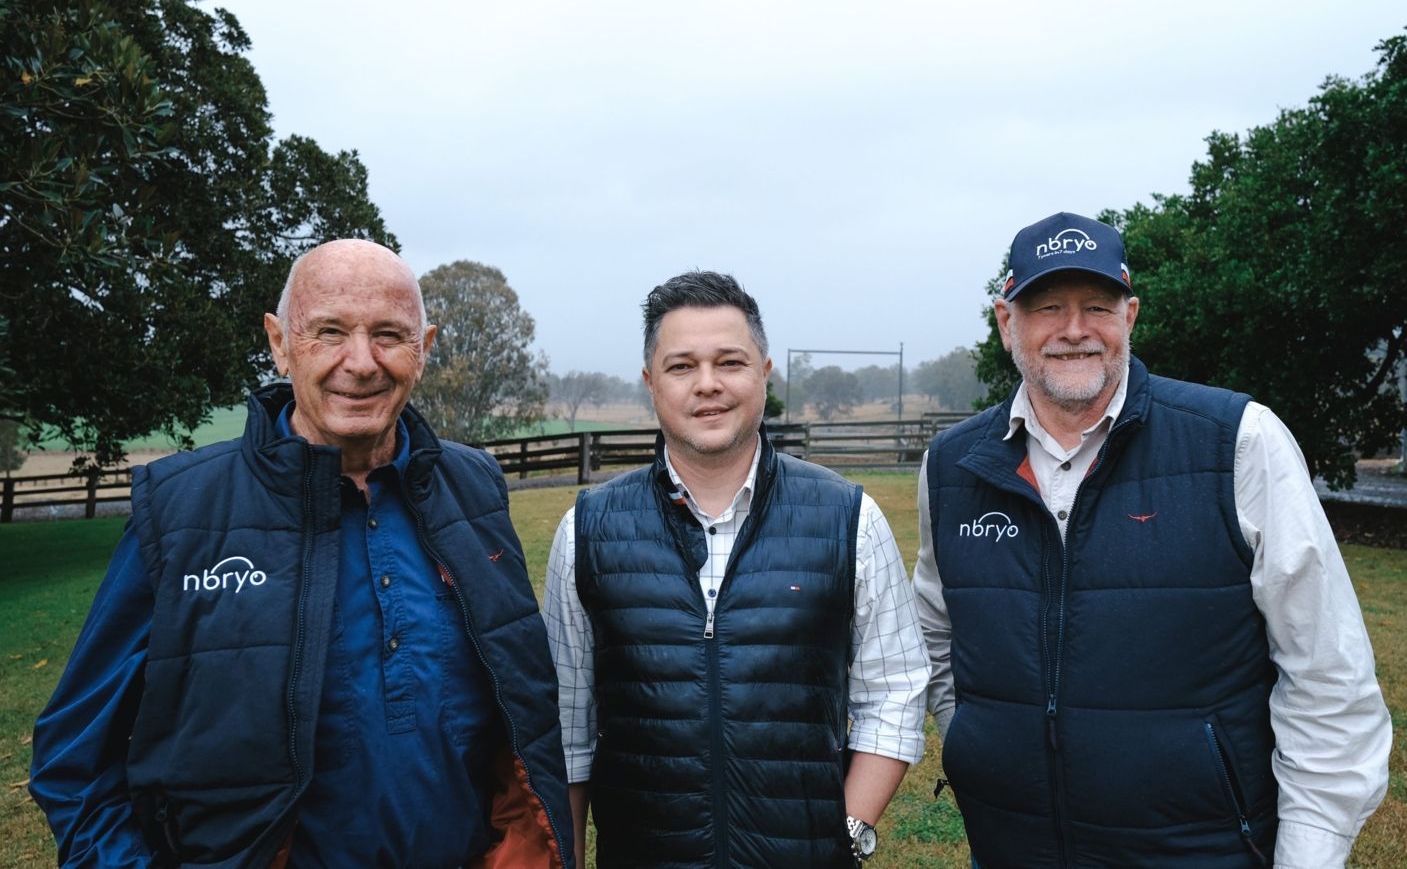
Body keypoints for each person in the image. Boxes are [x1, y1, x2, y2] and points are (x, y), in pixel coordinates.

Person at [30, 239, 574, 869]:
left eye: (390, 335)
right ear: (280, 343)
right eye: (330, 331)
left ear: (424, 349)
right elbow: (74, 756)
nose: (361, 362)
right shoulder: (181, 510)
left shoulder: (473, 487)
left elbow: (524, 719)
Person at [912, 212, 1392, 868]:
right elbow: (937, 640)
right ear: (1006, 323)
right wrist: (977, 740)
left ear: (1129, 315)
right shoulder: (952, 465)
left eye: (1097, 307)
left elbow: (1326, 676)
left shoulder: (1238, 440)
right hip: (1012, 847)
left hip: (1200, 849)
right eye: (1047, 306)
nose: (1074, 330)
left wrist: (1309, 855)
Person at [544, 270, 929, 868]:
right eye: (681, 367)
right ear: (651, 383)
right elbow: (566, 726)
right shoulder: (587, 529)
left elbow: (896, 688)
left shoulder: (850, 517)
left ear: (764, 373)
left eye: (730, 362)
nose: (708, 385)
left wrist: (845, 836)